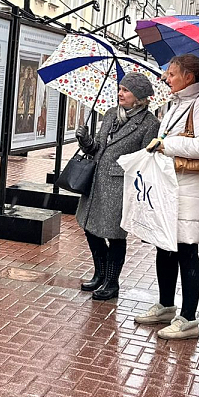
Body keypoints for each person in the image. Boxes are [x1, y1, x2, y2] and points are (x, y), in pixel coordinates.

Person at [135, 54, 199, 340]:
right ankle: (165, 305)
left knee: (186, 250)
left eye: (172, 74)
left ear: (188, 77)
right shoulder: (177, 102)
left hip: (188, 190)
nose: (166, 78)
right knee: (164, 246)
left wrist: (166, 144)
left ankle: (188, 318)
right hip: (170, 185)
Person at [74, 73, 160, 301]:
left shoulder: (150, 124)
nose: (120, 93)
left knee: (114, 235)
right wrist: (86, 142)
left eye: (126, 90)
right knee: (89, 226)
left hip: (121, 185)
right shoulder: (112, 114)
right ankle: (100, 273)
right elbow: (98, 148)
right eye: (120, 89)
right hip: (96, 181)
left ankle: (112, 282)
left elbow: (146, 159)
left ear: (140, 97)